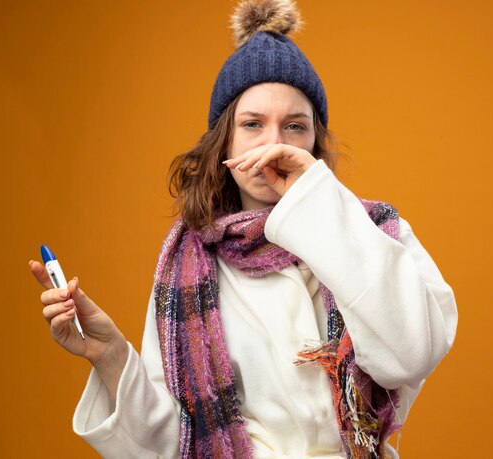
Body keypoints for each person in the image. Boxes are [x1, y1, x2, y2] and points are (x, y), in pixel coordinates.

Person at [29, 1, 457, 457]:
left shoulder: (374, 231)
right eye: (253, 125)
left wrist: (316, 201)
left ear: (315, 142)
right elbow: (179, 444)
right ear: (224, 142)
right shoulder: (187, 265)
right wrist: (111, 354)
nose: (274, 145)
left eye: (295, 126)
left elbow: (410, 355)